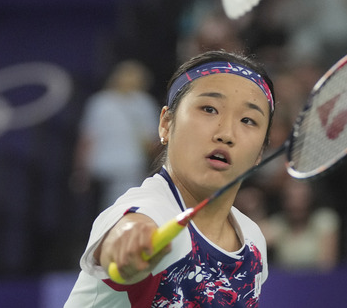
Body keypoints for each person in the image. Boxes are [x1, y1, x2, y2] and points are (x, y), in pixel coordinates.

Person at [65, 50, 276, 307]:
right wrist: (129, 242)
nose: (227, 133)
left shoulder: (253, 243)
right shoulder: (151, 210)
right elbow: (127, 227)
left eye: (248, 120)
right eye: (209, 109)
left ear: (260, 153)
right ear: (166, 123)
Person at [71, 60, 160, 212]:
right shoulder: (144, 103)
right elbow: (151, 142)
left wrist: (80, 169)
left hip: (100, 166)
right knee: (121, 212)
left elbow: (87, 140)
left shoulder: (99, 101)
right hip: (129, 166)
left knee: (105, 212)